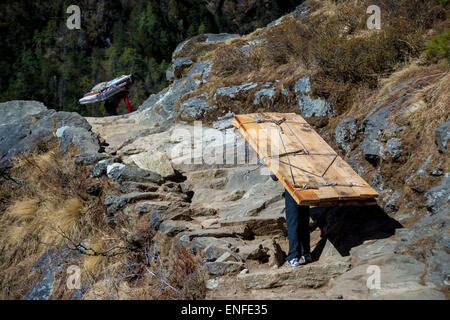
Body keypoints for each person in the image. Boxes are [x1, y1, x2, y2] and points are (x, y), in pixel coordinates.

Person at [271, 174, 312, 267]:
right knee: (304, 221)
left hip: (291, 187)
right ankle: (305, 253)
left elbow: (274, 176)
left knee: (293, 222)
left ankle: (293, 257)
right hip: (305, 186)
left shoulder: (282, 158)